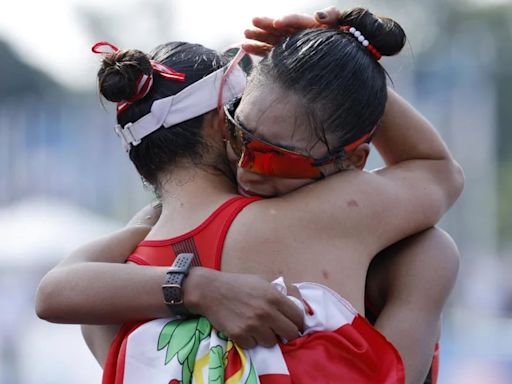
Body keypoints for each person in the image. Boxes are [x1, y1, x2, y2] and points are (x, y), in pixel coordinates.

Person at [36, 6, 463, 384]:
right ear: (222, 123)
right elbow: (437, 171)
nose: (247, 166)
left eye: (276, 156)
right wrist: (342, 67)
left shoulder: (109, 302)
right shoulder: (328, 218)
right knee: (433, 253)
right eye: (242, 139)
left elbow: (54, 292)